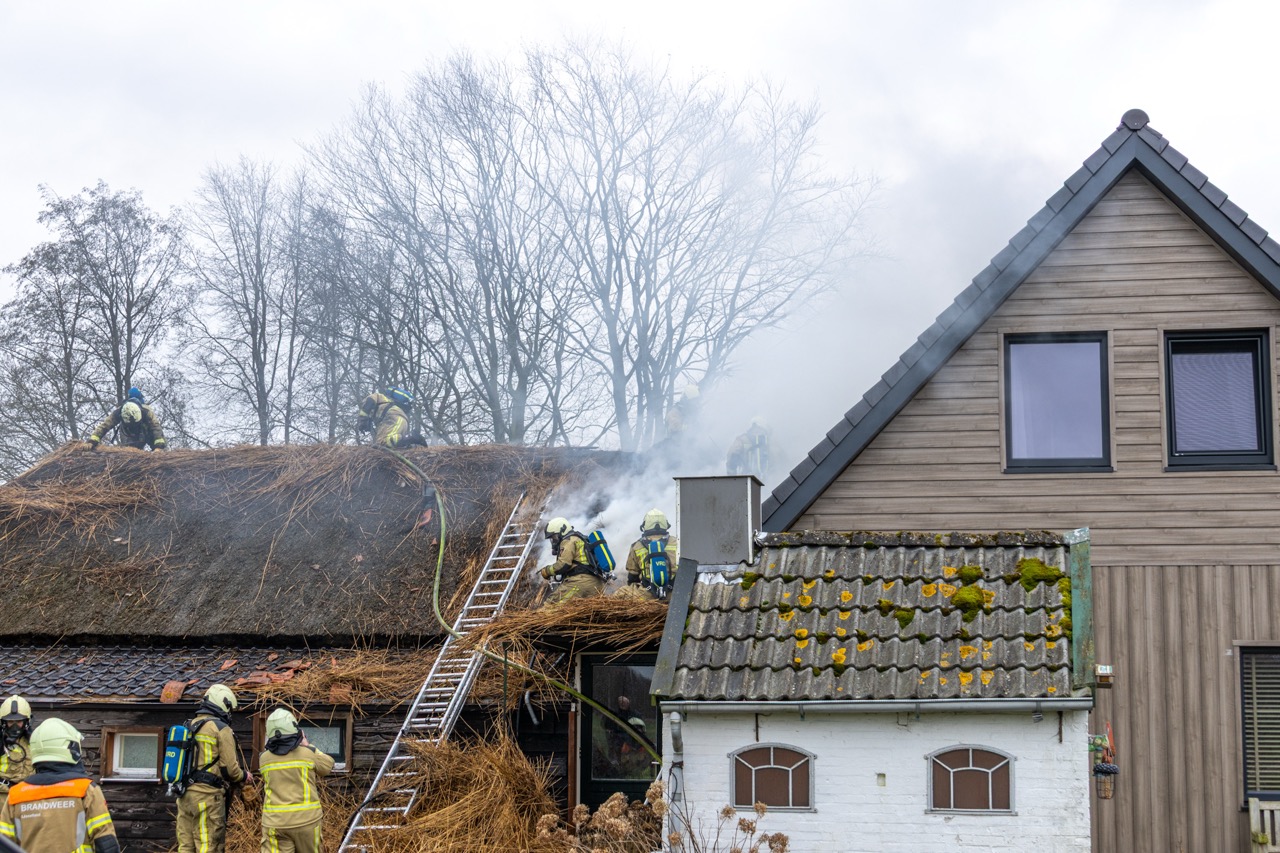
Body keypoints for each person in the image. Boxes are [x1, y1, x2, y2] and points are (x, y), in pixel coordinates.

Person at [0, 717, 120, 853]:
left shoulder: (16, 795)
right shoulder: (85, 790)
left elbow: (4, 845)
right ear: (70, 748)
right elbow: (106, 843)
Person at [176, 684, 251, 853]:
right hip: (207, 798)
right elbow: (230, 770)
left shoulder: (189, 725)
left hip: (184, 797)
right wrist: (244, 776)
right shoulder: (221, 729)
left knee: (186, 847)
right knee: (209, 846)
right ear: (223, 704)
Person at [258, 708, 334, 853]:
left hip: (275, 823)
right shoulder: (307, 754)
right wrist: (307, 745)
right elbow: (327, 766)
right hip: (307, 822)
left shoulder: (264, 759)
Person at [614, 509, 679, 601]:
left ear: (645, 525)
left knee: (620, 593)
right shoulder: (677, 542)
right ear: (666, 524)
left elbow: (633, 576)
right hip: (674, 595)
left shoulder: (637, 546)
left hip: (646, 596)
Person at [538, 517, 604, 604]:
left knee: (550, 606)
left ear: (562, 531)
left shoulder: (568, 540)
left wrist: (546, 571)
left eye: (554, 537)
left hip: (579, 583)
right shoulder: (581, 539)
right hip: (597, 584)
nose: (554, 541)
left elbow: (563, 565)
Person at [88, 387, 167, 450]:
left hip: (146, 432)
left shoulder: (146, 411)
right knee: (131, 455)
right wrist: (92, 441)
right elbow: (105, 425)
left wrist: (159, 447)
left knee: (160, 450)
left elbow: (156, 427)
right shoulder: (119, 412)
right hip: (130, 435)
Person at [356, 388, 426, 449]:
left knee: (382, 443)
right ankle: (412, 440)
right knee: (392, 444)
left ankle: (411, 437)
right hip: (403, 420)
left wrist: (363, 419)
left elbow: (369, 402)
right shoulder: (391, 404)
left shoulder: (380, 396)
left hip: (393, 416)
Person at [0, 696, 32, 795]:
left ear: (26, 721)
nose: (14, 726)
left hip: (29, 795)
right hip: (4, 796)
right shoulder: (1, 742)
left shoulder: (35, 741)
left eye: (18, 722)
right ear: (3, 723)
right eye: (10, 722)